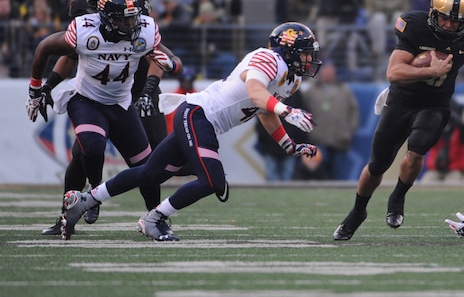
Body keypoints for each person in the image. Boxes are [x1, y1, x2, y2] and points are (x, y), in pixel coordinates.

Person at [61, 22, 322, 241]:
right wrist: (288, 111)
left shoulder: (292, 79)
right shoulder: (268, 59)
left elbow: (265, 111)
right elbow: (256, 93)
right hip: (199, 115)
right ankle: (154, 219)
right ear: (289, 50)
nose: (309, 59)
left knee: (151, 172)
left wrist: (289, 145)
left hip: (201, 119)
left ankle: (85, 201)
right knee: (213, 181)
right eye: (305, 53)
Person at [333, 0, 464, 241]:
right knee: (377, 165)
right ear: (433, 13)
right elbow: (394, 73)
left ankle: (398, 195)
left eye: (455, 22)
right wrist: (430, 71)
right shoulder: (415, 25)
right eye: (443, 18)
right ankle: (358, 211)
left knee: (417, 149)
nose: (448, 26)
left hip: (435, 104)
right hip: (402, 101)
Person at [34, 0, 182, 236]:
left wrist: (150, 89)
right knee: (84, 153)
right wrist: (47, 85)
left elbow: (159, 54)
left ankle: (158, 213)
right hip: (94, 90)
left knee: (156, 159)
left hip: (137, 89)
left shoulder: (137, 9)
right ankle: (72, 213)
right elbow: (69, 53)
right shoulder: (82, 14)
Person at [299, 62, 360, 180]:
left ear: (334, 73)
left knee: (337, 172)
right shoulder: (312, 90)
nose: (328, 74)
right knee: (318, 172)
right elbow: (303, 110)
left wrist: (349, 130)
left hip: (339, 139)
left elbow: (354, 112)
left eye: (330, 71)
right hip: (318, 139)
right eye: (325, 71)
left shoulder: (344, 90)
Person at [421, 99, 464, 183]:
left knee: (453, 183)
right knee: (425, 183)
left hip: (454, 169)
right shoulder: (436, 127)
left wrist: (454, 118)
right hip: (435, 168)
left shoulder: (460, 130)